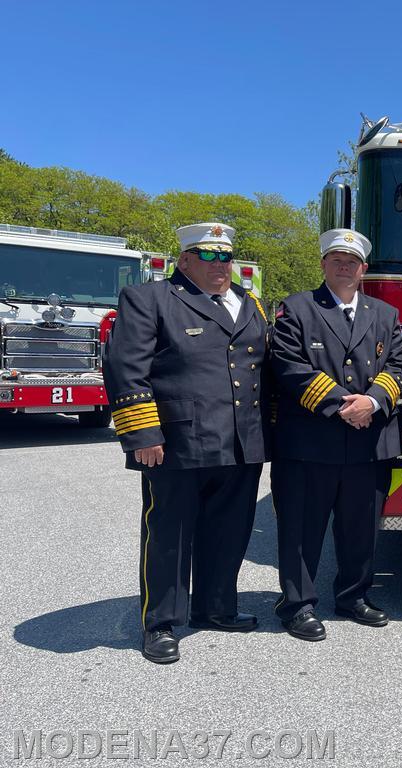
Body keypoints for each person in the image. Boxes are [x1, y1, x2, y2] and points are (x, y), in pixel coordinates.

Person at [103, 222, 270, 664]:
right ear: (185, 259)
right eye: (208, 256)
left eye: (226, 257)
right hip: (177, 442)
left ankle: (215, 607)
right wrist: (141, 432)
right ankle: (161, 622)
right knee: (169, 536)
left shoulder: (249, 303)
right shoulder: (150, 298)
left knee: (229, 531)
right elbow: (125, 366)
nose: (220, 265)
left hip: (241, 441)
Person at [270, 228, 402, 642]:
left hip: (368, 442)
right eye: (336, 260)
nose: (344, 267)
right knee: (302, 529)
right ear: (324, 265)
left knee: (360, 527)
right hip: (312, 441)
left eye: (352, 262)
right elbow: (288, 366)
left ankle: (352, 595)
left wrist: (374, 401)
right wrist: (346, 405)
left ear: (364, 269)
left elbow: (399, 365)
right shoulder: (295, 309)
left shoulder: (386, 314)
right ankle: (297, 604)